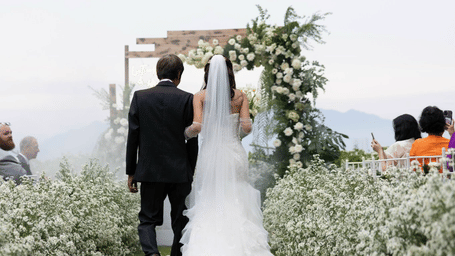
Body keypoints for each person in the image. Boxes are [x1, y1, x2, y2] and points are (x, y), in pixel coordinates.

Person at [180, 55, 273, 255]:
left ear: (208, 74)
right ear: (230, 74)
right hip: (234, 153)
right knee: (237, 197)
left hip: (211, 155)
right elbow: (247, 127)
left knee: (210, 198)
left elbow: (197, 126)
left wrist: (184, 134)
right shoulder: (240, 97)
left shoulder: (201, 96)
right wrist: (235, 134)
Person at [125, 54, 198, 256]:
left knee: (147, 220)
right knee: (180, 220)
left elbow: (133, 137)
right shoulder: (187, 99)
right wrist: (190, 170)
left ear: (158, 73)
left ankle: (152, 254)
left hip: (149, 171)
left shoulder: (140, 97)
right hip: (179, 171)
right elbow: (192, 139)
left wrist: (131, 171)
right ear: (179, 74)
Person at [410, 106, 454, 170]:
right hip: (446, 178)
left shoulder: (417, 144)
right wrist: (453, 135)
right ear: (443, 124)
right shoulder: (450, 144)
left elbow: (412, 166)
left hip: (423, 178)